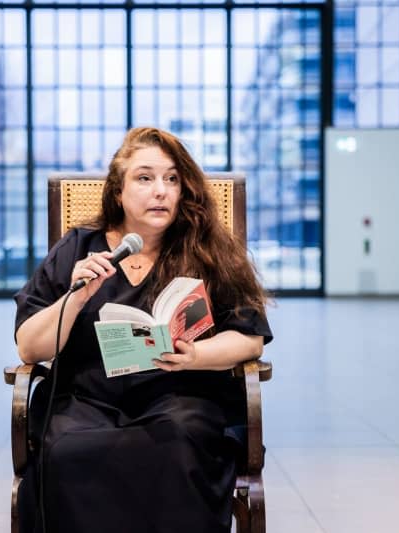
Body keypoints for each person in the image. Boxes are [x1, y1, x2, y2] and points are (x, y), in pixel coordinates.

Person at [14, 127, 272, 533]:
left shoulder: (206, 249)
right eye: (145, 178)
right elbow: (30, 348)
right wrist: (76, 295)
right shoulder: (80, 248)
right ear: (118, 190)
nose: (161, 191)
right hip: (86, 399)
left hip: (182, 394)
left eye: (172, 179)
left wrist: (199, 355)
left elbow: (249, 335)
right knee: (66, 450)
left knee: (178, 440)